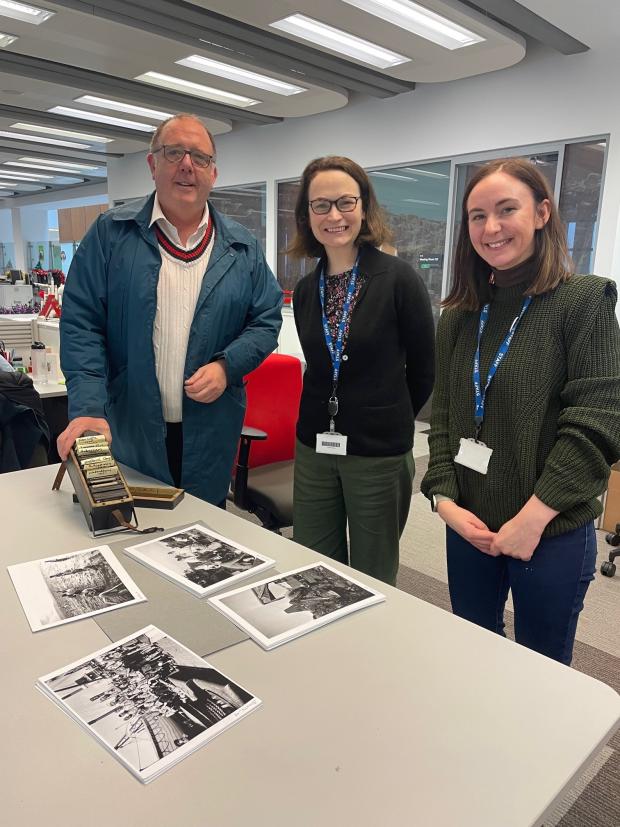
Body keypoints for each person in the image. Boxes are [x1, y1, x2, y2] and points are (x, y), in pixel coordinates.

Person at [421, 157, 620, 665]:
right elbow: (442, 418)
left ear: (542, 213)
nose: (491, 227)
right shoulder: (460, 316)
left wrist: (531, 520)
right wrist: (444, 500)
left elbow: (598, 422)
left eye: (507, 209)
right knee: (475, 654)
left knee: (542, 670)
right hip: (469, 524)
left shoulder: (583, 301)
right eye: (477, 215)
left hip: (549, 531)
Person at [57, 113, 282, 505]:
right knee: (130, 526)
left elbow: (265, 320)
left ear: (213, 172)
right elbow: (82, 324)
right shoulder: (110, 235)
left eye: (200, 157)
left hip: (211, 429)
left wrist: (227, 366)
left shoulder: (242, 247)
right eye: (174, 152)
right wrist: (88, 405)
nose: (186, 166)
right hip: (130, 427)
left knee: (200, 537)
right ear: (152, 164)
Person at [290, 156, 435, 585]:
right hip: (314, 447)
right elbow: (320, 368)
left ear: (364, 207)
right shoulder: (304, 290)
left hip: (377, 453)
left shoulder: (398, 279)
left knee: (372, 573)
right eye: (320, 205)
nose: (334, 215)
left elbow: (424, 370)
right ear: (307, 215)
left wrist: (383, 415)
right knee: (316, 568)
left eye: (345, 202)